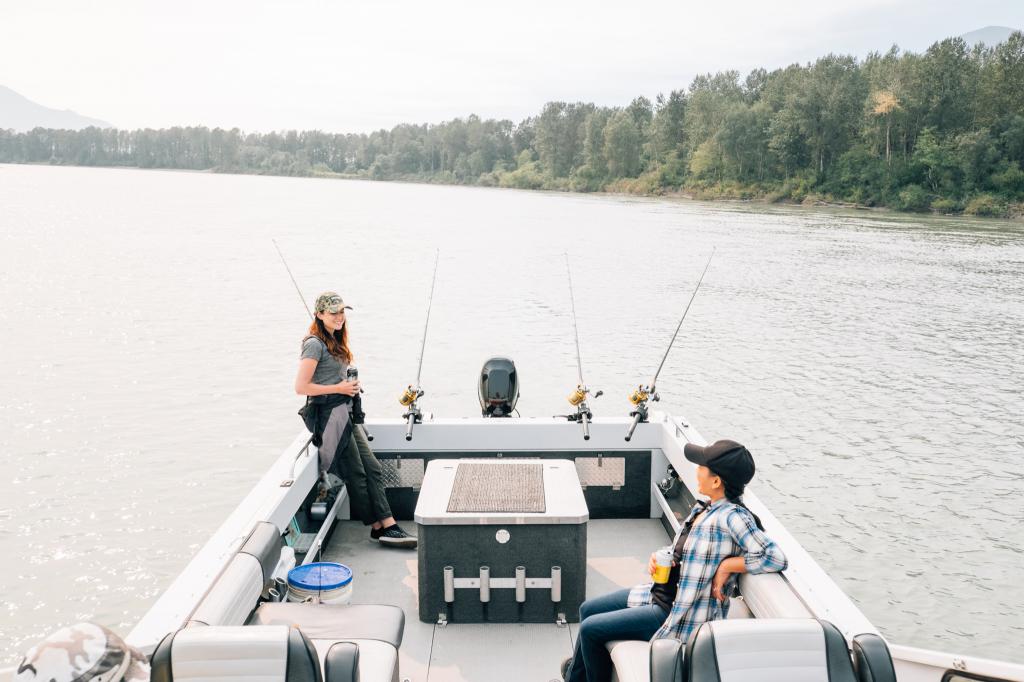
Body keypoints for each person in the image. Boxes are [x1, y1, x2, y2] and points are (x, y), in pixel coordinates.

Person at [562, 439, 787, 682]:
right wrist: (658, 557)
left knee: (590, 630)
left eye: (701, 467)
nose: (696, 471)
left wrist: (728, 566)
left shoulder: (732, 517)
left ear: (716, 481)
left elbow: (774, 557)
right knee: (587, 610)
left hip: (675, 612)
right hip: (659, 593)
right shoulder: (704, 509)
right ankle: (578, 674)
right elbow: (680, 550)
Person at [295, 291, 416, 548]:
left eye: (341, 312)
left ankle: (387, 525)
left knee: (372, 467)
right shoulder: (314, 344)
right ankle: (381, 526)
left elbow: (330, 378)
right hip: (329, 418)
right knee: (357, 473)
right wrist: (339, 388)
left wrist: (349, 386)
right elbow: (301, 387)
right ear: (319, 315)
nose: (339, 317)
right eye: (333, 312)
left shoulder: (335, 340)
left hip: (345, 413)